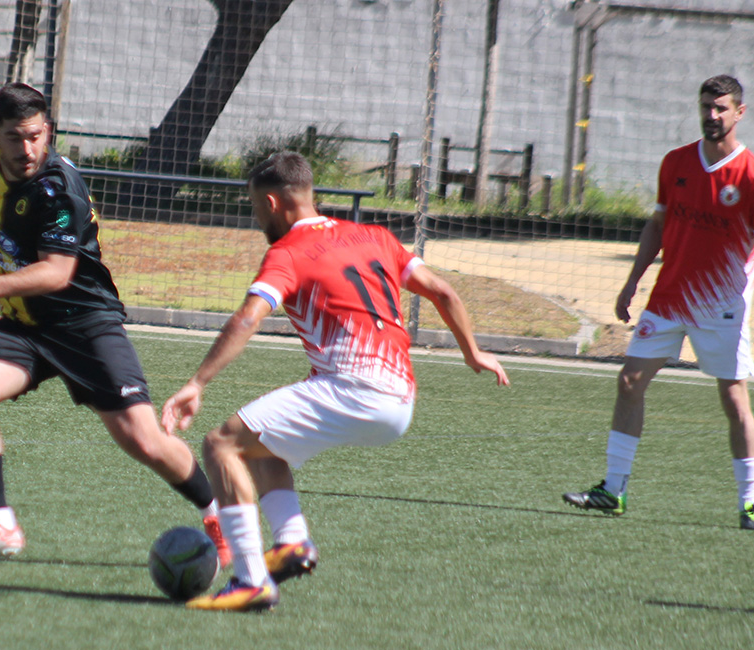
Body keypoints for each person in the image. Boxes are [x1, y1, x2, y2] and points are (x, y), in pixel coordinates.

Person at [160, 151, 510, 611]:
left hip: (353, 389)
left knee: (220, 445)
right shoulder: (376, 236)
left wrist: (197, 382)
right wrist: (472, 352)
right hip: (401, 399)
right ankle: (292, 542)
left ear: (272, 203)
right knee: (263, 444)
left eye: (256, 207)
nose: (257, 217)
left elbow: (248, 319)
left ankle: (250, 581)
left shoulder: (287, 252)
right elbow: (442, 291)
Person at [0, 82, 228, 563]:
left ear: (48, 131)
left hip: (84, 323)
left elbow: (57, 273)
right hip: (27, 324)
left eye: (35, 136)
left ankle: (219, 514)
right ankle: (1, 523)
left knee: (143, 440)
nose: (26, 149)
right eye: (14, 137)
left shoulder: (58, 189)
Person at [563, 75, 754, 530]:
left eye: (721, 107)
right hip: (668, 298)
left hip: (723, 307)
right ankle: (613, 490)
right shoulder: (675, 162)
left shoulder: (753, 176)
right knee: (629, 382)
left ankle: (750, 504)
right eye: (706, 106)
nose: (712, 115)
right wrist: (632, 281)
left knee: (734, 399)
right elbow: (657, 225)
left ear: (739, 112)